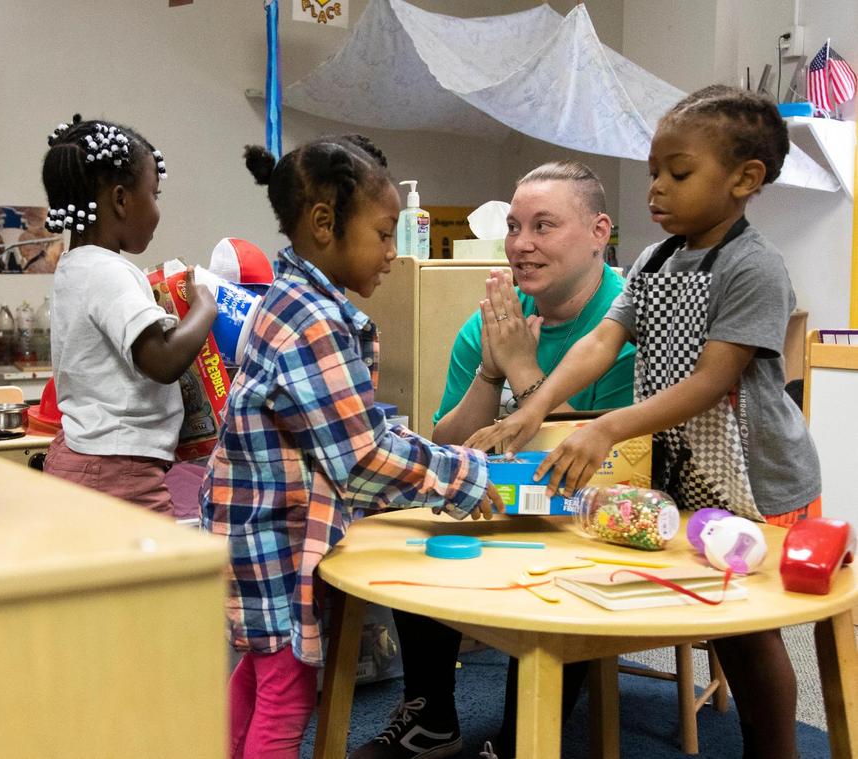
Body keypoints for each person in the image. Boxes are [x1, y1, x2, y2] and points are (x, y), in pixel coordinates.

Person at [471, 85, 821, 759]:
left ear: (745, 179)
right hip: (690, 472)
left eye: (678, 172)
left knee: (750, 628)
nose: (657, 187)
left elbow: (711, 381)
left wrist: (608, 427)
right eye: (655, 169)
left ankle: (776, 749)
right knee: (721, 618)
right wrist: (537, 406)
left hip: (761, 480)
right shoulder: (655, 261)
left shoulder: (754, 266)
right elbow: (602, 341)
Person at [200, 134, 505, 759]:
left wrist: (432, 458)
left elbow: (356, 427)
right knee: (286, 694)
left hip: (252, 527)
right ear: (323, 224)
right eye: (384, 234)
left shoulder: (291, 299)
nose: (393, 253)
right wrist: (466, 476)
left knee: (259, 675)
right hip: (274, 536)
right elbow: (361, 459)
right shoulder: (314, 321)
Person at [352, 161, 636, 759]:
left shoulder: (625, 325)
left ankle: (523, 740)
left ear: (598, 231)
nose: (521, 245)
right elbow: (447, 443)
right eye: (513, 226)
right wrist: (490, 366)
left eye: (543, 225)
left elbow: (610, 470)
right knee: (416, 510)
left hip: (593, 520)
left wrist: (524, 370)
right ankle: (432, 717)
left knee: (571, 568)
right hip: (505, 504)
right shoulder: (496, 321)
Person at [40, 114, 217, 515]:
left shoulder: (75, 266)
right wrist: (205, 307)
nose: (156, 210)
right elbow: (163, 360)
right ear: (121, 200)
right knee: (155, 576)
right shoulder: (108, 271)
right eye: (154, 195)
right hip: (115, 470)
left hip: (85, 456)